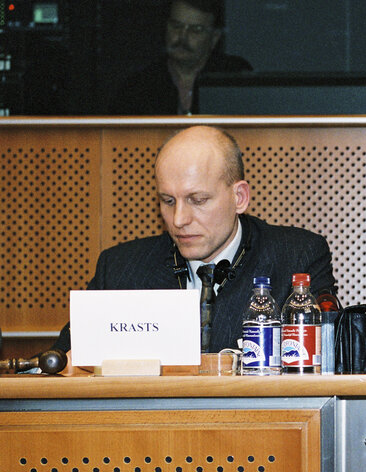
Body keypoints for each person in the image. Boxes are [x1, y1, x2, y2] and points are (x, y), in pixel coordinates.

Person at [53, 125, 336, 354]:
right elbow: (59, 365)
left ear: (239, 198)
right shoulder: (119, 269)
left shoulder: (297, 257)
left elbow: (328, 362)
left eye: (197, 200)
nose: (178, 220)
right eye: (167, 200)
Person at [109, 0, 252, 115]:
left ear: (214, 38)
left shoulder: (234, 76)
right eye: (176, 26)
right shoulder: (138, 88)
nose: (182, 37)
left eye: (196, 30)